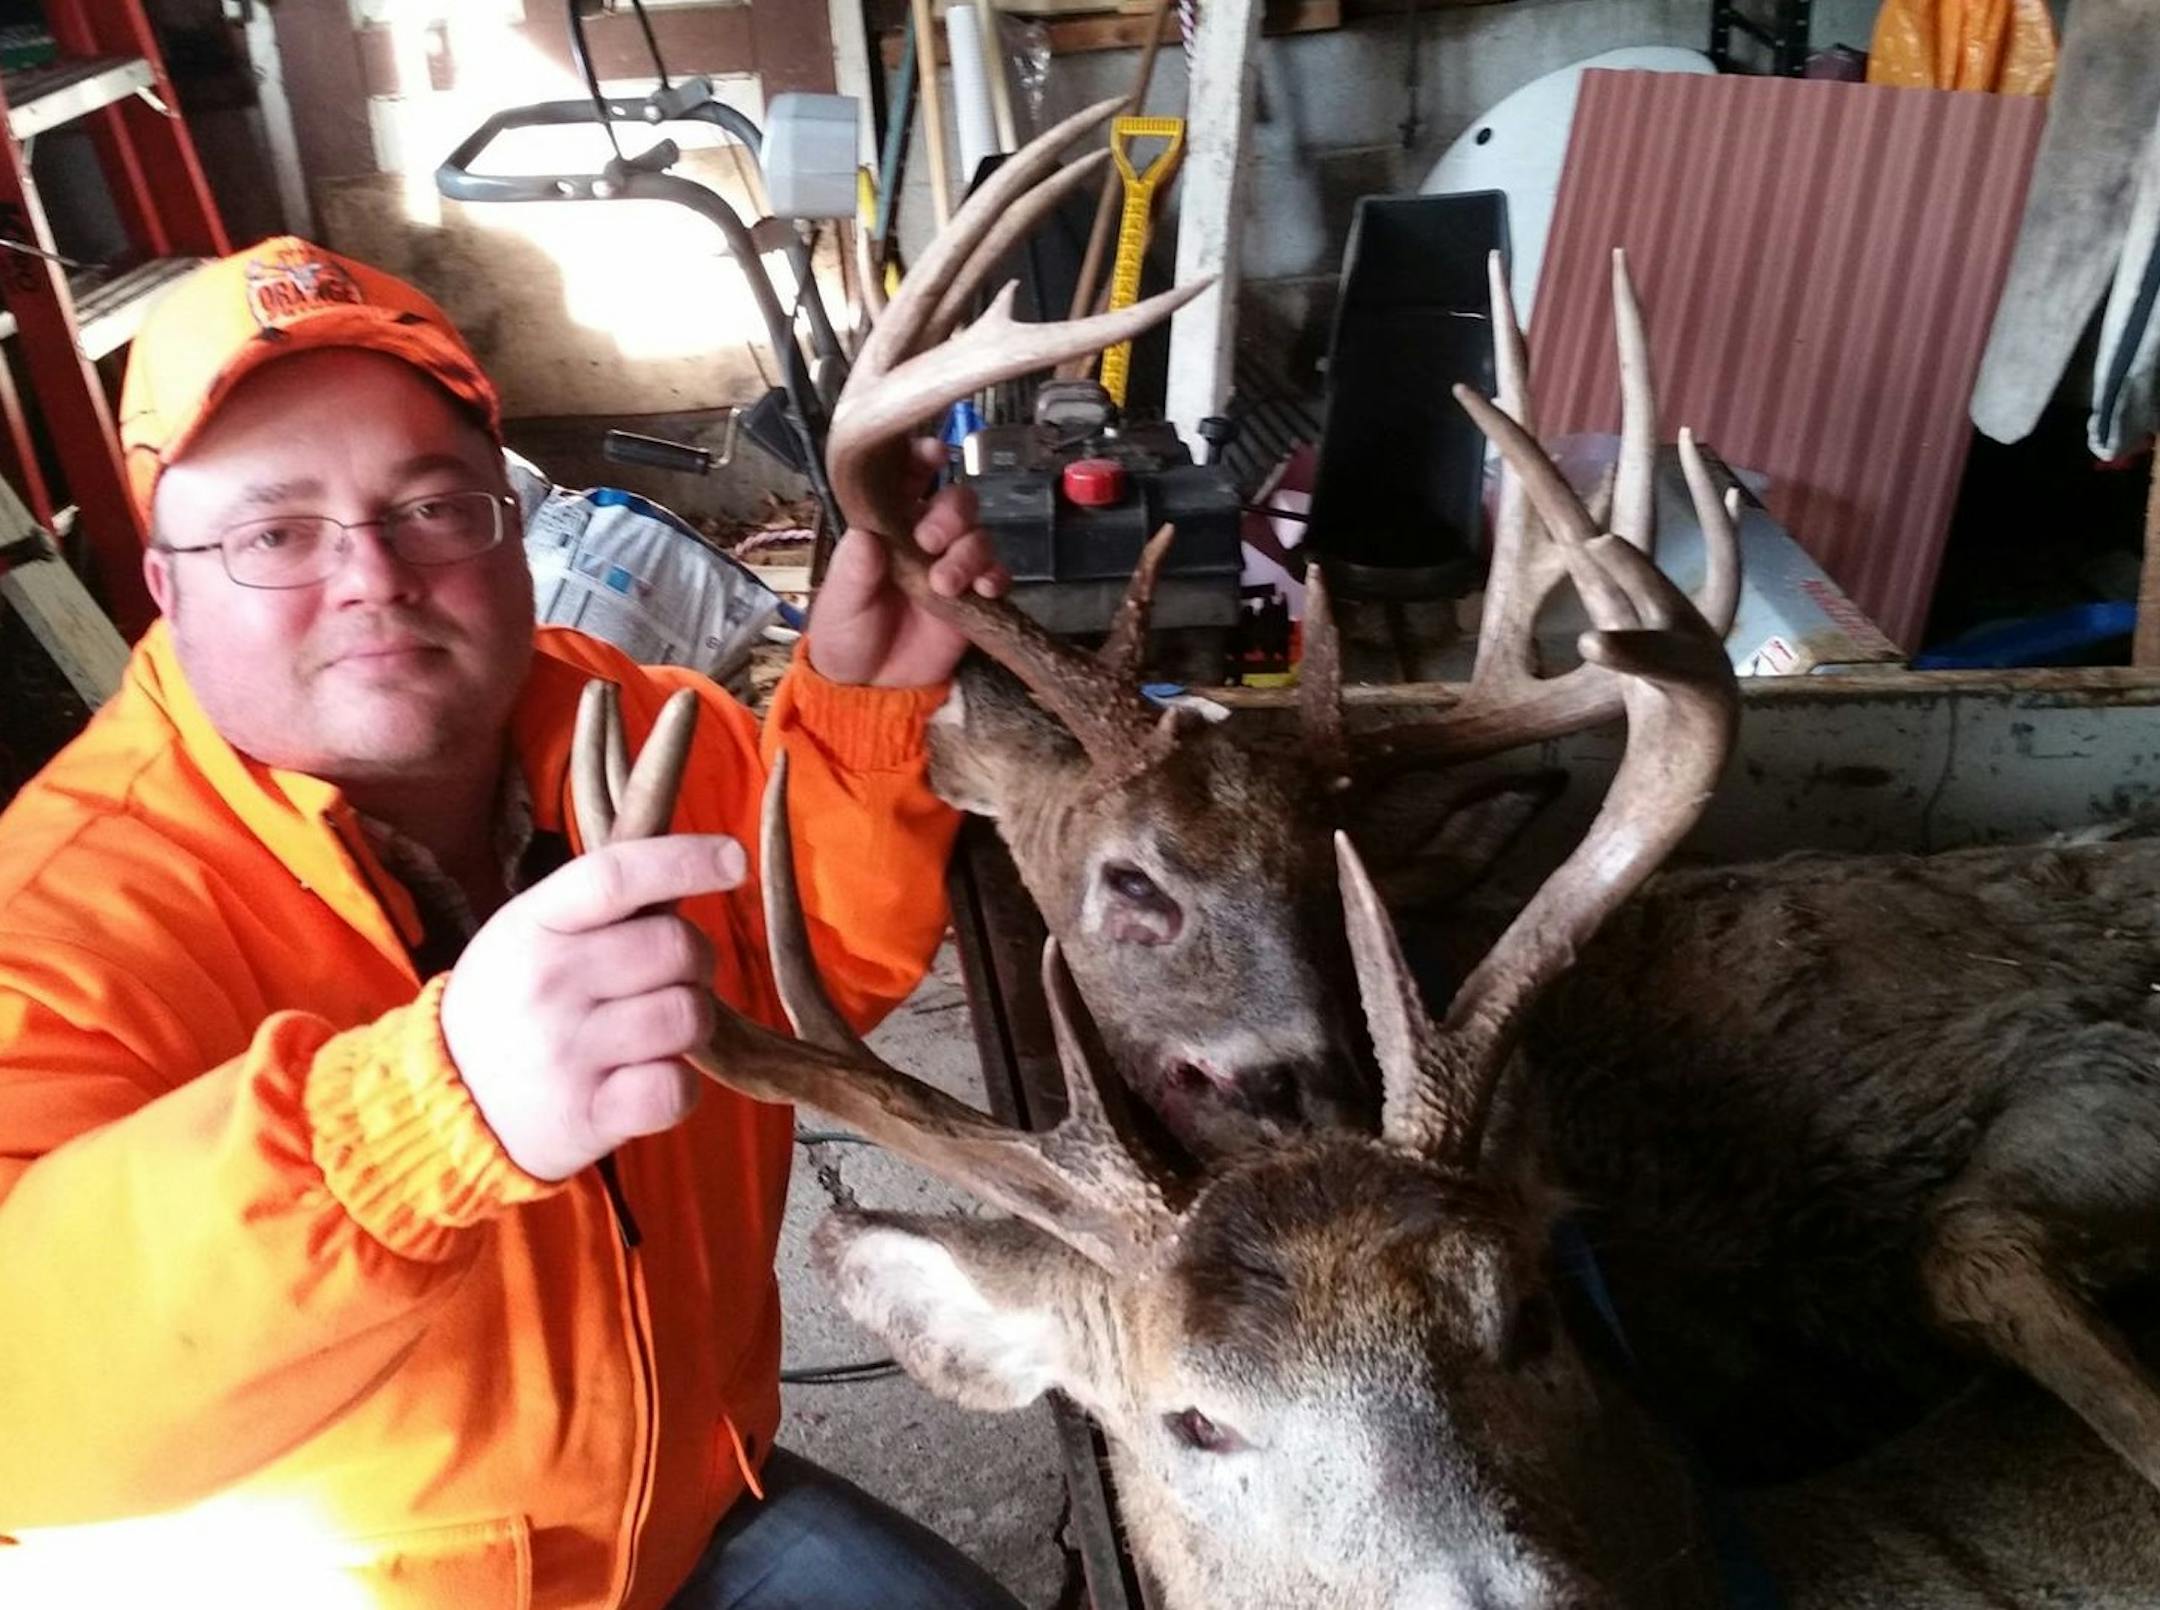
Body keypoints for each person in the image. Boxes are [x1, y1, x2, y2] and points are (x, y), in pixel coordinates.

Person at [0, 236, 1024, 1610]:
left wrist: (850, 719)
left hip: (689, 1514)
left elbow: (805, 975)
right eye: (275, 531)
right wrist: (424, 1117)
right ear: (169, 582)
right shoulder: (59, 912)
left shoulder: (634, 726)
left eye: (432, 507)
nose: (372, 573)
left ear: (512, 526)